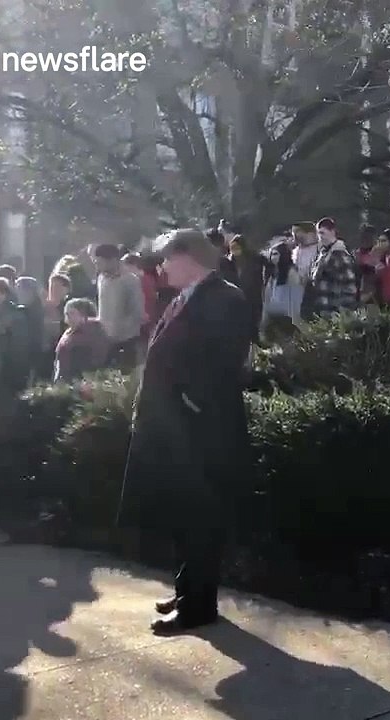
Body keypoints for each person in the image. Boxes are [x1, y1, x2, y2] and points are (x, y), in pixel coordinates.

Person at [120, 228, 253, 635]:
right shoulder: (182, 297)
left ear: (188, 258)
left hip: (201, 430)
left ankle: (199, 605)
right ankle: (186, 589)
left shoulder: (225, 298)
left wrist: (188, 404)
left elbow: (221, 363)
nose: (160, 267)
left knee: (200, 518)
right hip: (175, 429)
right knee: (182, 515)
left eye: (165, 259)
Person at [93, 243, 147, 368]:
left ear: (112, 260)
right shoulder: (101, 279)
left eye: (100, 262)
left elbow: (137, 310)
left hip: (126, 340)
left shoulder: (130, 280)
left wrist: (122, 330)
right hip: (105, 339)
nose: (97, 266)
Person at [305, 218, 360, 319]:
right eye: (318, 233)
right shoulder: (323, 253)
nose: (320, 237)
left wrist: (344, 310)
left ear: (332, 232)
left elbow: (349, 284)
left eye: (323, 233)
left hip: (336, 310)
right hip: (323, 308)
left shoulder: (339, 253)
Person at [53, 298, 110, 381]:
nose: (68, 318)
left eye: (72, 313)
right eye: (66, 314)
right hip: (66, 379)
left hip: (82, 381)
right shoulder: (70, 332)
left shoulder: (92, 333)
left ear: (84, 315)